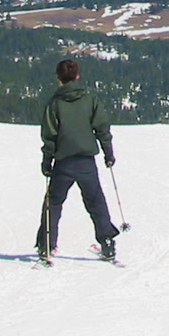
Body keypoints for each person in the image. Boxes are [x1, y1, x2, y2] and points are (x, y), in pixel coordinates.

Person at [35, 58, 120, 262]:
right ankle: (107, 243)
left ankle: (46, 245)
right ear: (77, 76)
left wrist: (47, 162)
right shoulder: (90, 100)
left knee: (53, 203)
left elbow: (50, 136)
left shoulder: (54, 104)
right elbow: (102, 128)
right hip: (86, 161)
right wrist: (108, 153)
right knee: (95, 201)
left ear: (58, 79)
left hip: (63, 162)